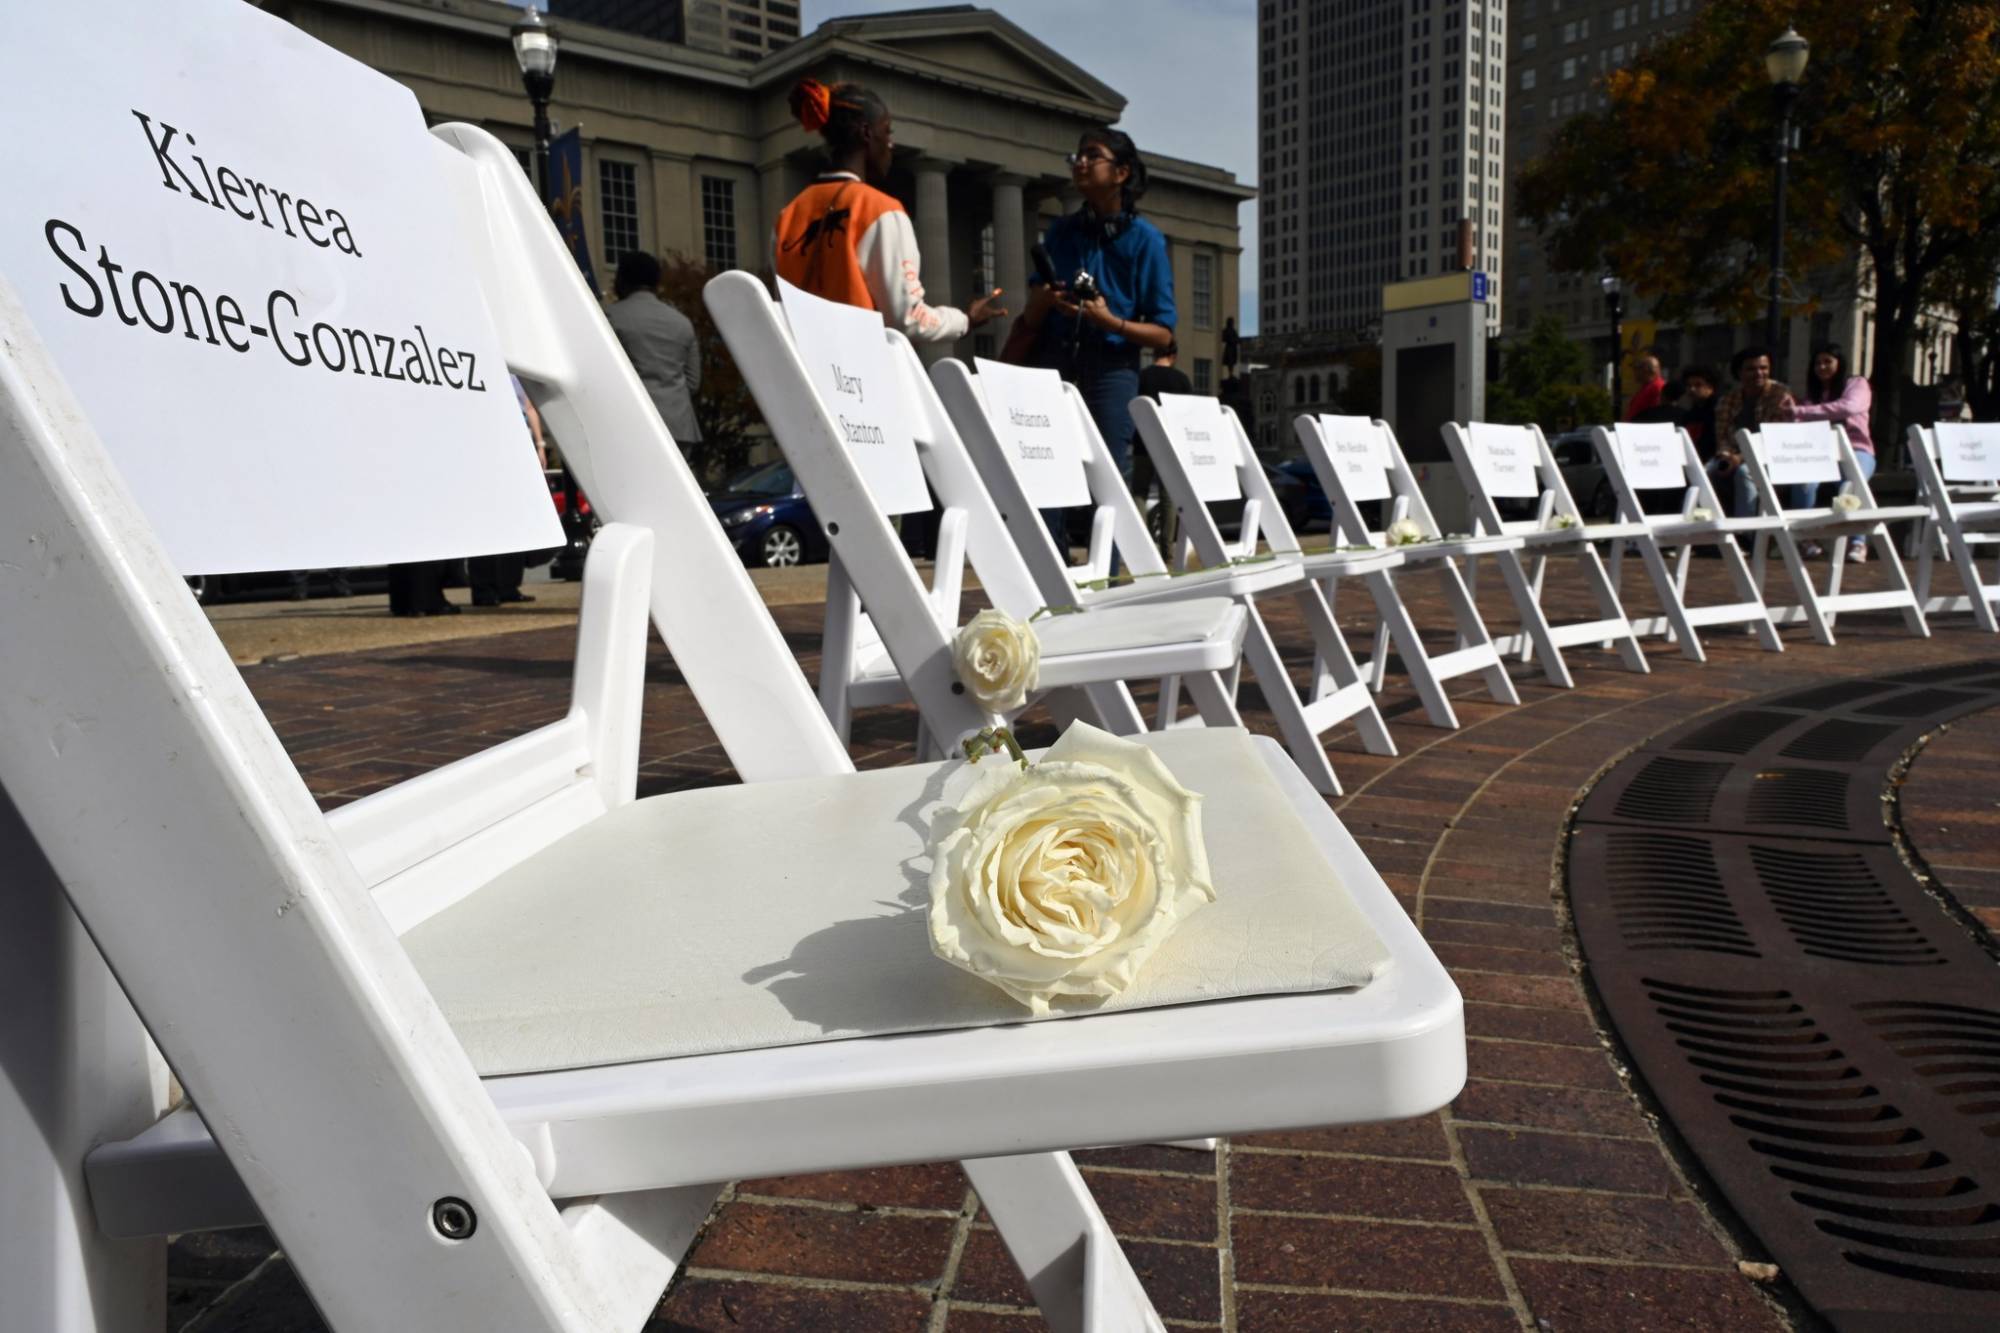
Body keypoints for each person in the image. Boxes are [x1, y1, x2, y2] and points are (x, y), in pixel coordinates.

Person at [1003, 127, 1177, 483]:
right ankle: (1049, 541)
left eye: (1092, 156)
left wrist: (1108, 321)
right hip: (1052, 361)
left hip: (1111, 369)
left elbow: (1163, 336)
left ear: (1121, 173)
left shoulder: (1147, 241)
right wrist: (1045, 300)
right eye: (1077, 156)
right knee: (1046, 474)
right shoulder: (1060, 232)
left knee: (1108, 481)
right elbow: (1032, 317)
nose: (1080, 163)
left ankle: (1113, 541)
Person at [773, 79, 1006, 342]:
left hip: (801, 369)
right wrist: (965, 319)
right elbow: (907, 319)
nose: (891, 144)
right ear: (866, 133)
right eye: (887, 131)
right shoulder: (880, 210)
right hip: (857, 373)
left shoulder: (788, 215)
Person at [605, 250, 703, 454]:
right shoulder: (682, 323)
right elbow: (693, 382)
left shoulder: (610, 317)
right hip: (678, 425)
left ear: (622, 280)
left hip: (630, 423)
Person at [471, 376, 552, 606]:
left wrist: (540, 444)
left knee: (514, 518)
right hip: (492, 440)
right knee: (488, 517)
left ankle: (508, 585)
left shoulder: (516, 375)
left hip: (518, 438)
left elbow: (528, 407)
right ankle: (484, 589)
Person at [1789, 342, 1875, 560]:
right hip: (1822, 453)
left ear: (1840, 363)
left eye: (1828, 361)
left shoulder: (1856, 383)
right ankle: (1805, 536)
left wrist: (1800, 411)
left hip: (1856, 448)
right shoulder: (1813, 395)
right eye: (1817, 363)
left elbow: (1849, 407)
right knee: (1804, 481)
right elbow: (1803, 424)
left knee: (1854, 481)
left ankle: (1858, 542)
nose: (1822, 367)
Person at [1709, 345, 1795, 517]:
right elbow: (1723, 433)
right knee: (1707, 471)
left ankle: (1746, 532)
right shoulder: (1729, 399)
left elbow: (1775, 437)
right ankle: (1711, 529)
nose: (1758, 373)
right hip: (1734, 455)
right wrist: (1725, 455)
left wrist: (1740, 458)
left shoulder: (1780, 394)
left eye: (1763, 368)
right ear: (1739, 373)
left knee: (1744, 473)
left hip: (1772, 457)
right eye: (1751, 369)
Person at [1623, 353, 1669, 421]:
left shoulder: (1657, 387)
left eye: (1637, 369)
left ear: (1646, 370)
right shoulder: (1647, 386)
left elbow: (1656, 413)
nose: (1634, 372)